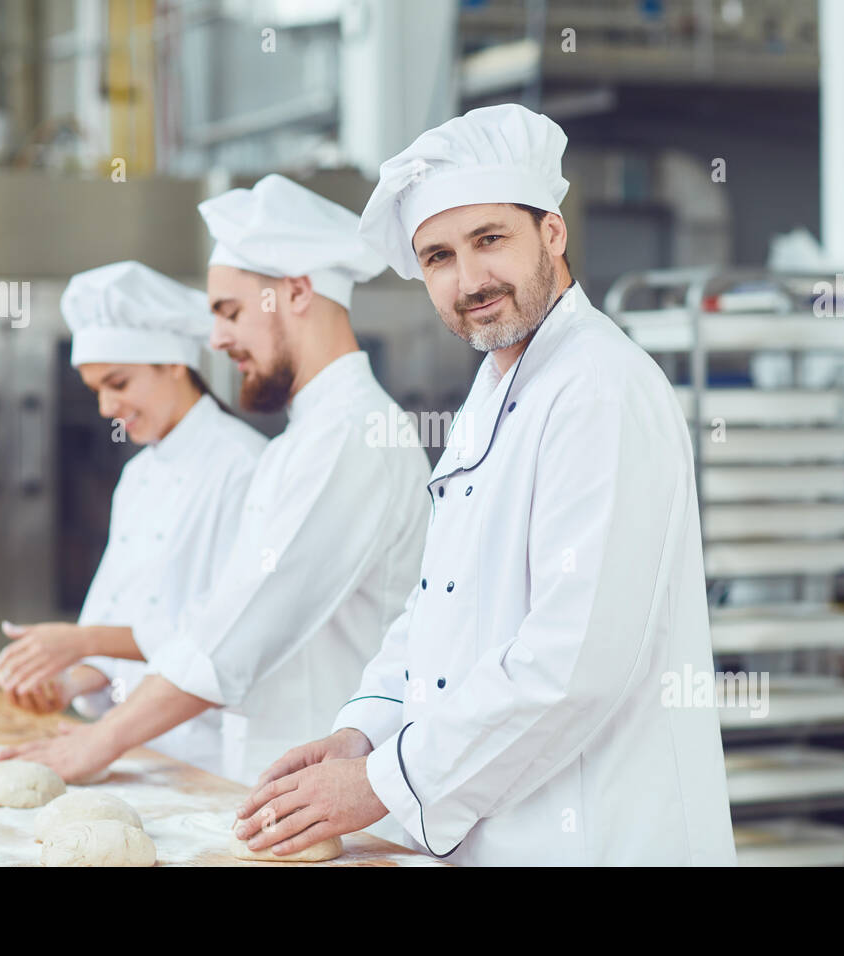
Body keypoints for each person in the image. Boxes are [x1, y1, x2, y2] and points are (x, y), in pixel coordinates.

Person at [234, 104, 737, 865]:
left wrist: (383, 782)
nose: (469, 280)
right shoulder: (495, 387)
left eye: (489, 240)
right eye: (437, 257)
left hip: (597, 834)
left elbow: (573, 661)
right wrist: (363, 730)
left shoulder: (597, 387)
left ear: (553, 234)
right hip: (499, 832)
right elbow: (443, 602)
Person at [0, 175, 431, 789]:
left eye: (229, 312)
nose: (218, 338)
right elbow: (209, 622)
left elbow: (234, 636)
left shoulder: (349, 437)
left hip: (331, 792)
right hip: (279, 778)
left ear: (297, 292)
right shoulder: (304, 439)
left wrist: (102, 740)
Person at [0, 260, 267, 773]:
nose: (106, 406)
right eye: (96, 389)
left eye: (118, 382)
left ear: (175, 364)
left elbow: (219, 634)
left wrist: (78, 641)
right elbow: (122, 615)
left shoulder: (246, 467)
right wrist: (67, 682)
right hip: (135, 750)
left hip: (216, 760)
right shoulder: (138, 476)